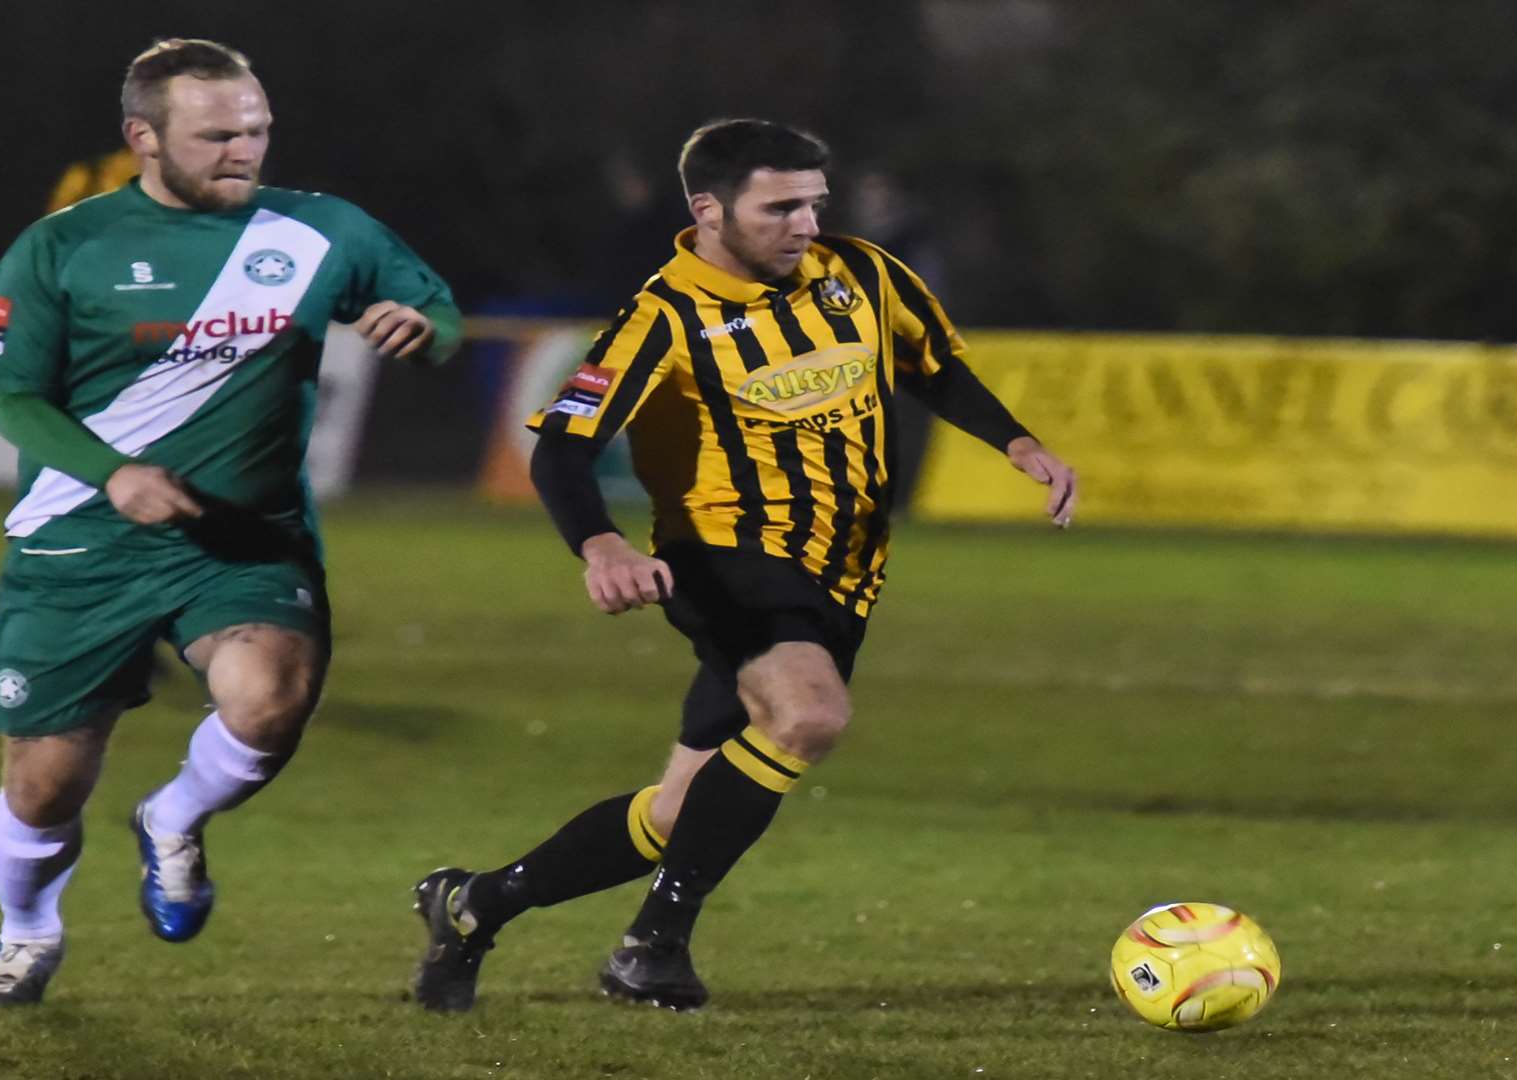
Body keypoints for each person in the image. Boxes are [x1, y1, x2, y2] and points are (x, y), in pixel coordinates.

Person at [410, 118, 1073, 1012]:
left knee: (681, 813)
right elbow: (561, 451)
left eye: (814, 204)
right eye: (781, 206)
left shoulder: (862, 275)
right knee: (808, 713)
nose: (805, 224)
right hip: (723, 555)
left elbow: (933, 366)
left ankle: (474, 904)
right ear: (709, 209)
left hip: (845, 571)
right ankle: (654, 945)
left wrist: (1018, 442)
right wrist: (602, 544)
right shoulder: (663, 316)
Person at [0, 38, 461, 1006]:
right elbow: (13, 398)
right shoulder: (63, 247)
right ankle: (28, 933)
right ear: (143, 138)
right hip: (80, 538)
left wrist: (423, 332)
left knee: (271, 699)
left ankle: (174, 819)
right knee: (44, 791)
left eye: (258, 131)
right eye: (218, 135)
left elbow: (435, 313)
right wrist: (113, 476)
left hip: (240, 540)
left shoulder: (325, 231)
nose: (245, 151)